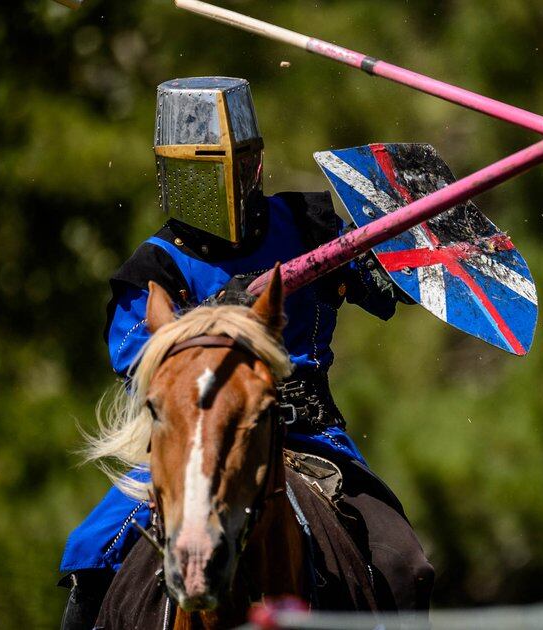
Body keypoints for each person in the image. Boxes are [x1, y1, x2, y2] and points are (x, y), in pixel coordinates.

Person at [59, 77, 433, 629]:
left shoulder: (306, 226)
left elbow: (371, 274)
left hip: (310, 437)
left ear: (252, 163)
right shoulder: (155, 267)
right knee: (93, 558)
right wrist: (215, 313)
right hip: (194, 441)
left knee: (405, 566)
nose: (214, 186)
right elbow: (141, 360)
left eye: (226, 168)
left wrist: (389, 270)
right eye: (195, 173)